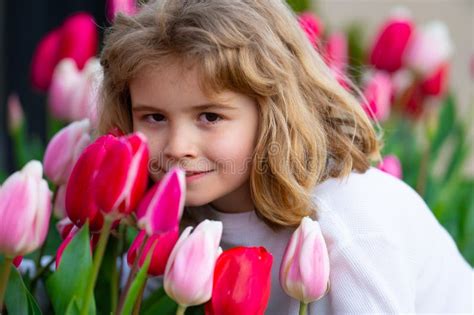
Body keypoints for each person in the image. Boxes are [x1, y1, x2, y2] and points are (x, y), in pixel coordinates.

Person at [98, 0, 473, 313]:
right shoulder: (179, 209)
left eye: (210, 117)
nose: (178, 146)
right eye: (154, 117)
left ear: (273, 112)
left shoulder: (347, 221)